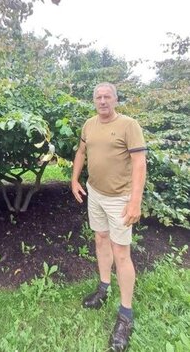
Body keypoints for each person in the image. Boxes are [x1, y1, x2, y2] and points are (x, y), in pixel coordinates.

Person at [71, 82, 147, 352]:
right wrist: (74, 179)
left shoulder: (129, 125)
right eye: (98, 97)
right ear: (93, 100)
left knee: (121, 252)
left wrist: (135, 201)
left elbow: (139, 163)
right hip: (96, 193)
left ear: (115, 99)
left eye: (107, 96)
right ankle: (103, 287)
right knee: (101, 239)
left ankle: (126, 315)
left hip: (120, 198)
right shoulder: (89, 124)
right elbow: (81, 152)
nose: (102, 101)